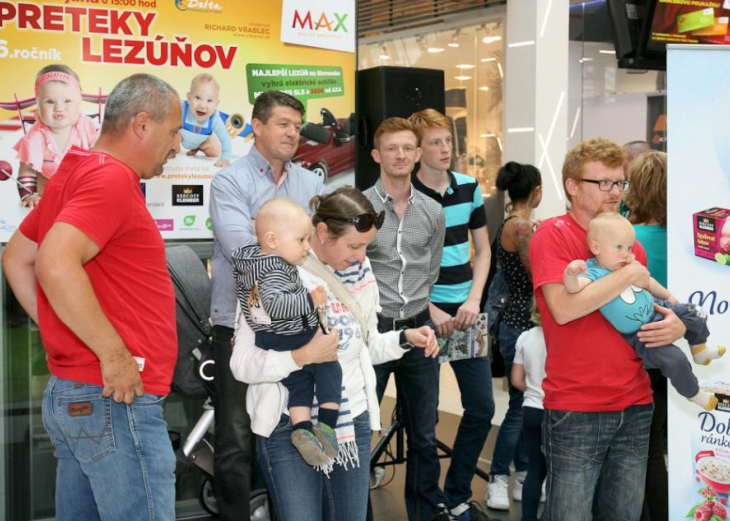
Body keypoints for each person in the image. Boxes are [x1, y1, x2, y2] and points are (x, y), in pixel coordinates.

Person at [2, 73, 182, 521]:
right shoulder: (111, 180)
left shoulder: (78, 172)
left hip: (82, 394)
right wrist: (112, 354)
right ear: (142, 124)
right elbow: (53, 264)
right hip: (114, 398)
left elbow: (17, 259)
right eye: (174, 131)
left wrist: (62, 326)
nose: (177, 145)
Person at [229, 186, 439, 521]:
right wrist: (300, 357)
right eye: (354, 245)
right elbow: (241, 364)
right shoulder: (270, 272)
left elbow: (363, 348)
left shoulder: (361, 271)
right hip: (288, 427)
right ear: (323, 232)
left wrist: (404, 338)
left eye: (366, 247)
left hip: (348, 424)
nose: (360, 256)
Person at [529, 137, 688, 521]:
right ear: (571, 186)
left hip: (635, 403)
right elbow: (564, 309)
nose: (615, 192)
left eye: (620, 183)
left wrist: (676, 324)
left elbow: (650, 308)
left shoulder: (628, 242)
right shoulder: (553, 234)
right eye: (604, 183)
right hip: (576, 407)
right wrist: (629, 274)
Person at [208, 90, 325, 521]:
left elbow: (323, 250)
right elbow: (244, 252)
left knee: (296, 426)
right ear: (256, 126)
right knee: (237, 438)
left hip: (301, 325)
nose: (292, 133)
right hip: (241, 326)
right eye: (282, 124)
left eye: (297, 125)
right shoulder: (230, 180)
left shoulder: (310, 183)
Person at [408, 108, 491, 521]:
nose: (445, 148)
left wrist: (473, 300)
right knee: (423, 421)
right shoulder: (407, 193)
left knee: (482, 407)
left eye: (448, 140)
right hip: (423, 314)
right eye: (436, 142)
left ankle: (457, 492)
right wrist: (431, 309)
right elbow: (399, 264)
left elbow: (483, 249)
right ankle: (430, 502)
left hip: (466, 313)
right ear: (418, 149)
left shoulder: (470, 187)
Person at [363, 117, 446, 521]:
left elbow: (430, 272)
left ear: (417, 155)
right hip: (371, 331)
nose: (400, 155)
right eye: (391, 148)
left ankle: (425, 515)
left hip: (419, 327)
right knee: (359, 434)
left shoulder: (432, 211)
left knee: (425, 437)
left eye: (407, 148)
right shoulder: (358, 206)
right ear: (377, 155)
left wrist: (419, 313)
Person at [563, 213, 723, 411]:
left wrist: (670, 297)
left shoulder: (629, 263)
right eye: (619, 247)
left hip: (656, 306)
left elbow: (648, 281)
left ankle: (699, 348)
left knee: (694, 311)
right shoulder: (593, 272)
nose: (625, 253)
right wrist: (570, 273)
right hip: (640, 333)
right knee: (676, 360)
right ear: (596, 247)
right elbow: (573, 288)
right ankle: (694, 393)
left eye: (629, 247)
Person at [232, 198, 339, 467]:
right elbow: (277, 305)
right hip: (290, 334)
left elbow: (257, 307)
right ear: (272, 240)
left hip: (269, 337)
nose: (306, 248)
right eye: (301, 240)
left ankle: (302, 427)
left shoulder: (252, 264)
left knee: (299, 383)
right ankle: (326, 425)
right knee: (328, 367)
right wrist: (311, 300)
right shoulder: (273, 269)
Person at [487, 161, 542, 511]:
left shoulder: (517, 224)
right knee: (520, 407)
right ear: (536, 192)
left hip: (518, 324)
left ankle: (522, 475)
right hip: (519, 326)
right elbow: (540, 271)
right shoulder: (521, 227)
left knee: (524, 403)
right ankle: (498, 477)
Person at [624, 150, 668, 521]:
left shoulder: (626, 242)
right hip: (675, 355)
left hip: (635, 359)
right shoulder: (688, 243)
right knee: (657, 449)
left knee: (634, 452)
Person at [14, 64, 101, 207]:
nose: (59, 108)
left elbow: (103, 159)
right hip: (47, 200)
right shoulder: (34, 137)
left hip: (82, 198)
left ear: (79, 101)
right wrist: (29, 195)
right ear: (38, 103)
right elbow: (27, 169)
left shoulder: (89, 129)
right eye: (50, 102)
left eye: (67, 101)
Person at [510, 302, 547, 521]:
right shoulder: (562, 338)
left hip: (532, 409)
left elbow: (516, 380)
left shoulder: (525, 337)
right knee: (559, 473)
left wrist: (534, 389)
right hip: (556, 410)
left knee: (535, 470)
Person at [180, 73, 232, 167]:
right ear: (189, 98)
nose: (203, 105)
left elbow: (225, 139)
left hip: (202, 140)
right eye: (198, 98)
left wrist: (225, 157)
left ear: (216, 104)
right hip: (181, 136)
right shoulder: (182, 108)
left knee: (215, 152)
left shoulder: (214, 118)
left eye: (209, 101)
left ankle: (199, 147)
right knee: (171, 134)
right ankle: (169, 149)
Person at [620, 140, 651, 218]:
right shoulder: (620, 185)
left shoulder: (657, 189)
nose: (620, 164)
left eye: (622, 159)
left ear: (633, 159)